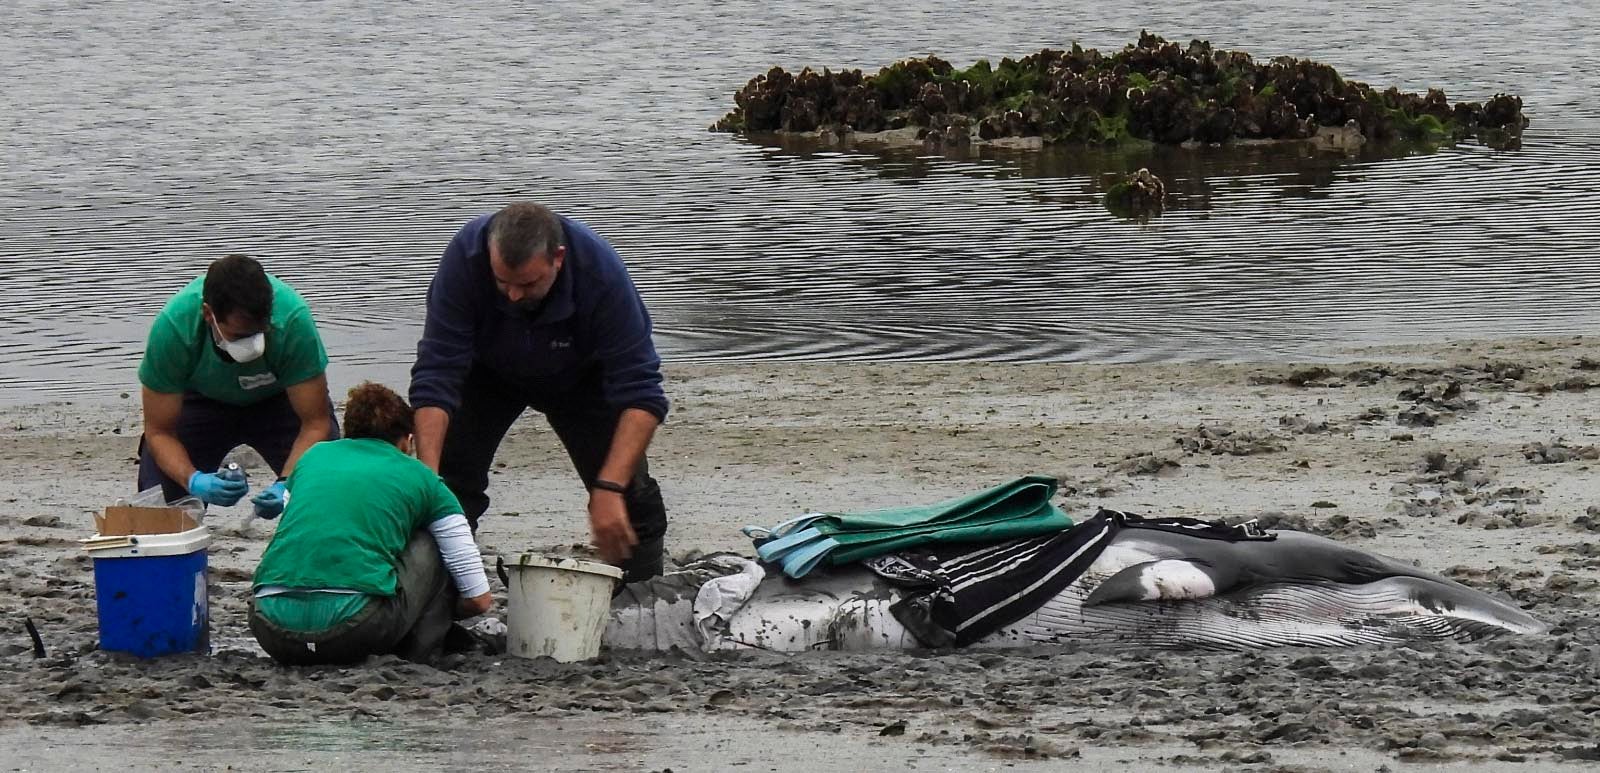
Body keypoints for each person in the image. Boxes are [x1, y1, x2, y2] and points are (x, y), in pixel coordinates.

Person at [409, 202, 669, 581]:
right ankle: (443, 603)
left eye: (528, 284)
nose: (513, 295)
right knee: (446, 491)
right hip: (487, 372)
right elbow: (436, 373)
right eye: (502, 283)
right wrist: (427, 476)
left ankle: (643, 601)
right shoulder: (464, 259)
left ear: (558, 259)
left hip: (580, 375)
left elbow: (643, 394)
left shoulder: (600, 274)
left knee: (629, 498)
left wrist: (609, 487)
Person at [249, 382, 493, 665]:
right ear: (407, 441)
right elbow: (479, 599)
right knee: (432, 540)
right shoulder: (421, 477)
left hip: (270, 630)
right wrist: (440, 607)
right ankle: (421, 652)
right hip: (353, 633)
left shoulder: (311, 458)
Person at [137, 254, 337, 516]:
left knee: (327, 485)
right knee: (159, 502)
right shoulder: (174, 328)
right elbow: (159, 432)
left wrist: (287, 484)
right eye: (240, 335)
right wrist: (193, 480)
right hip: (201, 400)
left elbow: (315, 424)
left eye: (260, 332)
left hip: (279, 399)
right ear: (209, 314)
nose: (252, 344)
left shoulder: (292, 321)